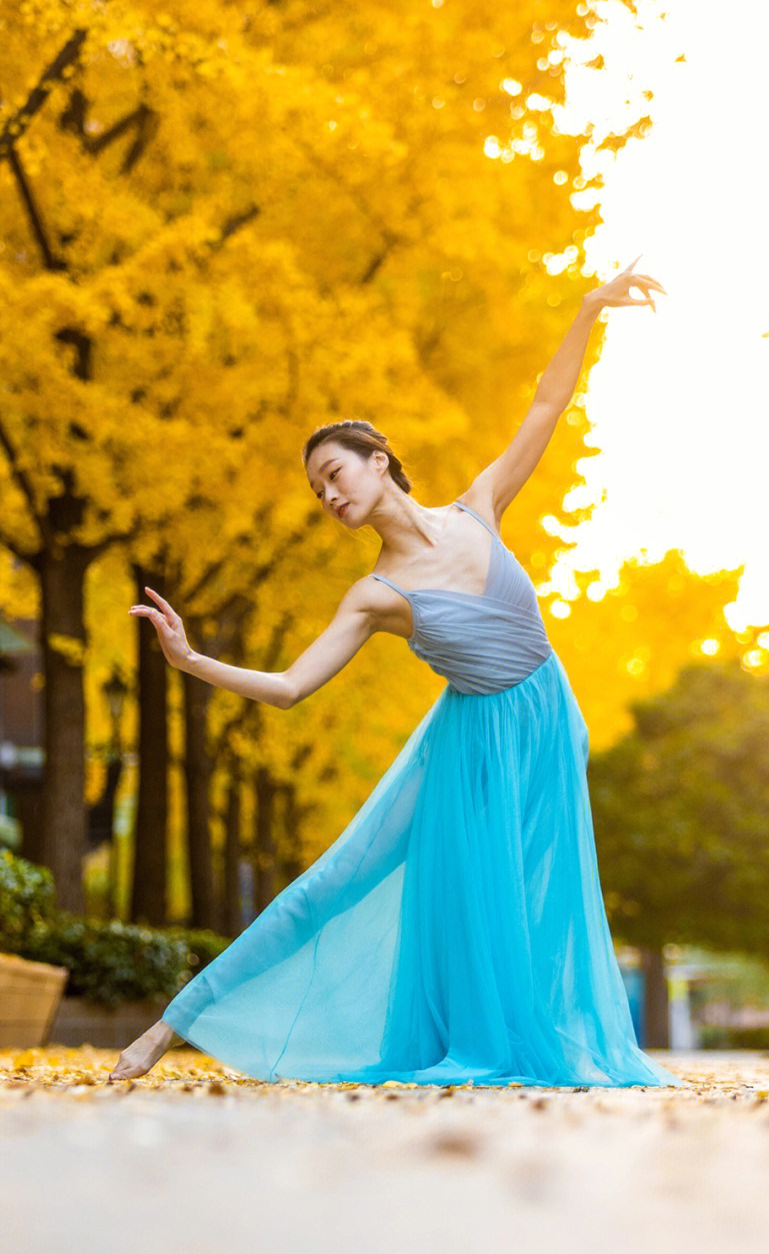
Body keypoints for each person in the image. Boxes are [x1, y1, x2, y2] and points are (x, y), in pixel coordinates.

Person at [110, 258, 682, 1089]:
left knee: (535, 903)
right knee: (339, 876)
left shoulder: (480, 505)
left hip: (551, 719)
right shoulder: (374, 594)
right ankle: (171, 1024)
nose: (328, 497)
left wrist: (590, 308)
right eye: (316, 493)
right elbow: (290, 687)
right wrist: (190, 659)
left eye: (333, 475)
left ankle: (537, 1041)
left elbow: (547, 403)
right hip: (469, 745)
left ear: (378, 459)